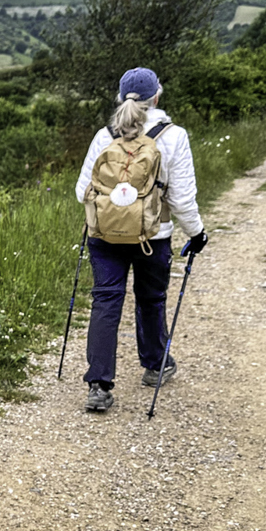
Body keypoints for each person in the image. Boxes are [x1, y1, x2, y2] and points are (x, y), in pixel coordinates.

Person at [74, 67, 206, 412]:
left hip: (104, 236)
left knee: (106, 301)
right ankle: (155, 365)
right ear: (157, 97)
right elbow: (181, 200)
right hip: (153, 236)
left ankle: (99, 385)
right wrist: (197, 233)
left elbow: (81, 191)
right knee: (151, 299)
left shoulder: (105, 135)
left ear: (120, 98)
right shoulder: (174, 136)